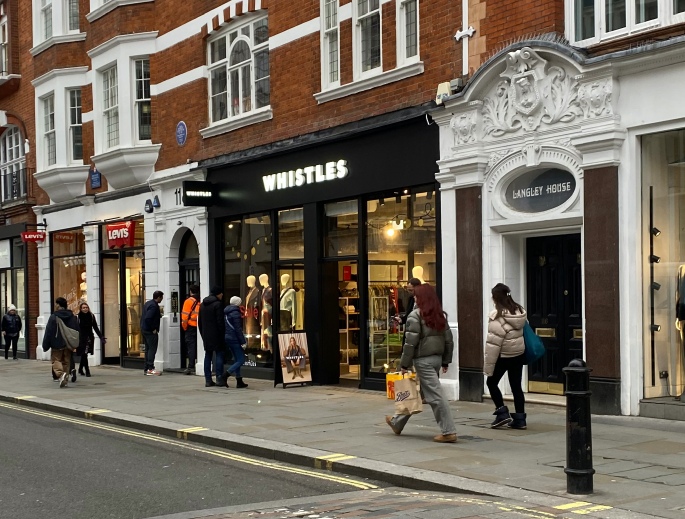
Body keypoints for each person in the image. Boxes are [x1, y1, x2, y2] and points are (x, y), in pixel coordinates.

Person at [385, 284, 457, 443]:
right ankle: (397, 422)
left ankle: (448, 431)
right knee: (418, 392)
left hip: (423, 361)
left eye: (416, 296)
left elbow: (410, 344)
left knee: (436, 396)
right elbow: (449, 341)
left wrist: (404, 365)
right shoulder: (439, 315)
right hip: (436, 360)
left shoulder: (414, 316)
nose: (414, 298)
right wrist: (445, 361)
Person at [484, 283, 527, 429]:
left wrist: (488, 366)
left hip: (503, 356)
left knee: (491, 382)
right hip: (518, 354)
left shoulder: (497, 316)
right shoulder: (519, 311)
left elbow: (493, 345)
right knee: (516, 387)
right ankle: (520, 419)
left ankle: (502, 412)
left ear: (496, 297)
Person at [42, 297, 79, 388]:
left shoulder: (54, 316)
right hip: (68, 342)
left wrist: (45, 344)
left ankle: (61, 374)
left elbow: (49, 331)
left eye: (56, 304)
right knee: (66, 361)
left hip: (56, 342)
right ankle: (65, 379)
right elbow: (77, 329)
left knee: (56, 360)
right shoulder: (72, 316)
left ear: (58, 305)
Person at [198, 285, 225, 388]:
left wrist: (203, 333)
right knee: (219, 354)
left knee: (208, 356)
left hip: (206, 334)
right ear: (218, 293)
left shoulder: (202, 305)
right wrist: (222, 333)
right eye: (221, 293)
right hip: (217, 334)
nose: (222, 294)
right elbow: (220, 322)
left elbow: (199, 322)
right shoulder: (218, 305)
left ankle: (208, 380)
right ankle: (219, 378)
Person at [224, 296, 248, 388]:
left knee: (236, 359)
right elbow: (238, 329)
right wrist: (243, 342)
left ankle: (239, 380)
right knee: (241, 360)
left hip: (228, 337)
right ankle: (226, 374)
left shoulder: (227, 312)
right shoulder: (235, 313)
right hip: (235, 338)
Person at [76, 302, 105, 377]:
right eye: (84, 308)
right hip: (81, 337)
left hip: (89, 337)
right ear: (81, 309)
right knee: (84, 353)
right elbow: (75, 328)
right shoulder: (78, 317)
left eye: (86, 307)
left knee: (85, 353)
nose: (85, 309)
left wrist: (101, 336)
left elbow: (95, 327)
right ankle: (87, 371)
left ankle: (80, 369)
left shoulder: (91, 316)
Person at [141, 290, 164, 376]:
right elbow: (148, 318)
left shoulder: (148, 303)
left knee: (147, 349)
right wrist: (153, 328)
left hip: (144, 329)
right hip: (150, 331)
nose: (162, 299)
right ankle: (150, 368)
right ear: (158, 297)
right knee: (152, 349)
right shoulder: (154, 306)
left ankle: (146, 368)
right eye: (161, 297)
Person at [181, 284, 201, 375]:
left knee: (191, 346)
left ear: (190, 291)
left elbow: (184, 317)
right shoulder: (201, 300)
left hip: (191, 327)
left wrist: (185, 327)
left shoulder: (188, 301)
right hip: (200, 326)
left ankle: (191, 366)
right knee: (200, 346)